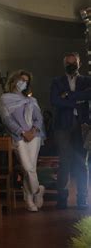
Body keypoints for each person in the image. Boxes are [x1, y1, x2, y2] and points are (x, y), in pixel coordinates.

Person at [50, 52, 91, 209]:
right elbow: (55, 100)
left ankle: (82, 199)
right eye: (68, 62)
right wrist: (77, 101)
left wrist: (69, 96)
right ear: (64, 64)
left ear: (79, 63)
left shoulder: (87, 80)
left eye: (74, 62)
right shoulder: (57, 81)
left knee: (82, 163)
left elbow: (89, 94)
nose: (71, 65)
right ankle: (62, 198)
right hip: (63, 126)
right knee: (64, 162)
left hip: (83, 125)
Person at [0, 70, 45, 212]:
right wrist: (22, 132)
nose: (23, 83)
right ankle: (38, 190)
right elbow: (6, 120)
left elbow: (39, 119)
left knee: (30, 168)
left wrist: (33, 131)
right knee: (27, 167)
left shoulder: (32, 100)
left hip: (34, 137)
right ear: (14, 80)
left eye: (26, 81)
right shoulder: (5, 98)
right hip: (18, 137)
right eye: (21, 80)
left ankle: (29, 200)